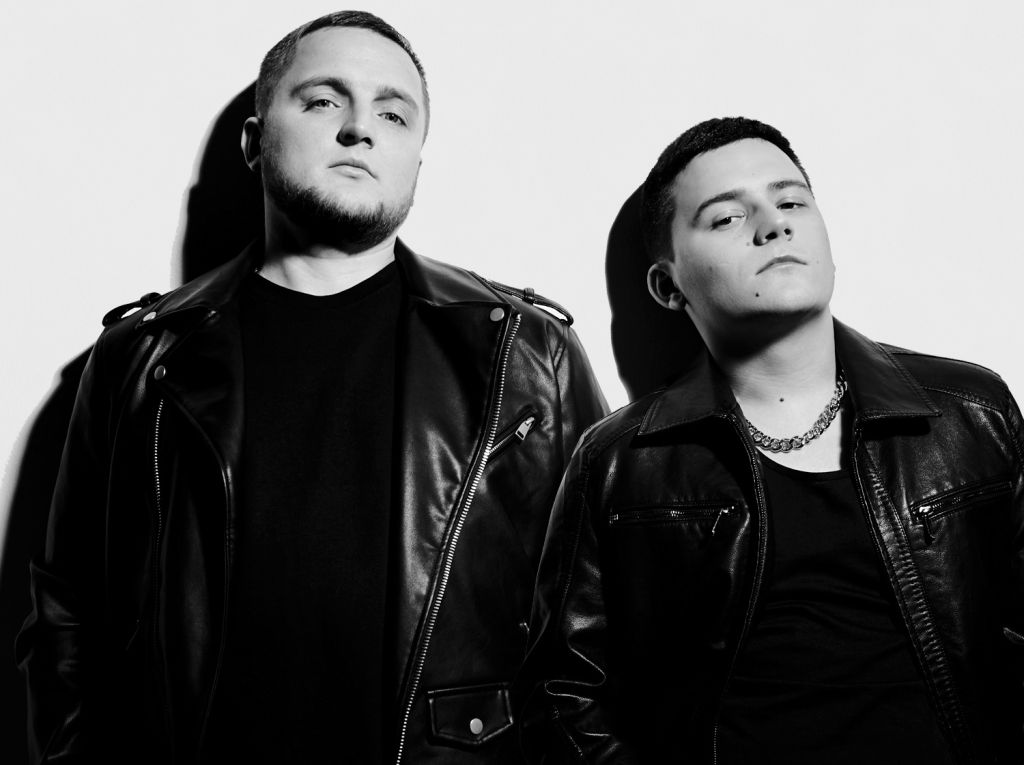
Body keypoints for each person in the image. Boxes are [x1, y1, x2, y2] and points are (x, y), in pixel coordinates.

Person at [17, 11, 606, 764]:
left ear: (416, 160)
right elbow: (68, 615)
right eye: (324, 100)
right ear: (255, 141)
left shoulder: (525, 354)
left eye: (393, 114)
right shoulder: (141, 357)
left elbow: (604, 623)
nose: (360, 129)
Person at [523, 117, 1024, 763]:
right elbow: (563, 693)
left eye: (791, 203)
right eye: (727, 217)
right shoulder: (619, 463)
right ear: (668, 285)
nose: (773, 226)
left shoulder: (972, 413)